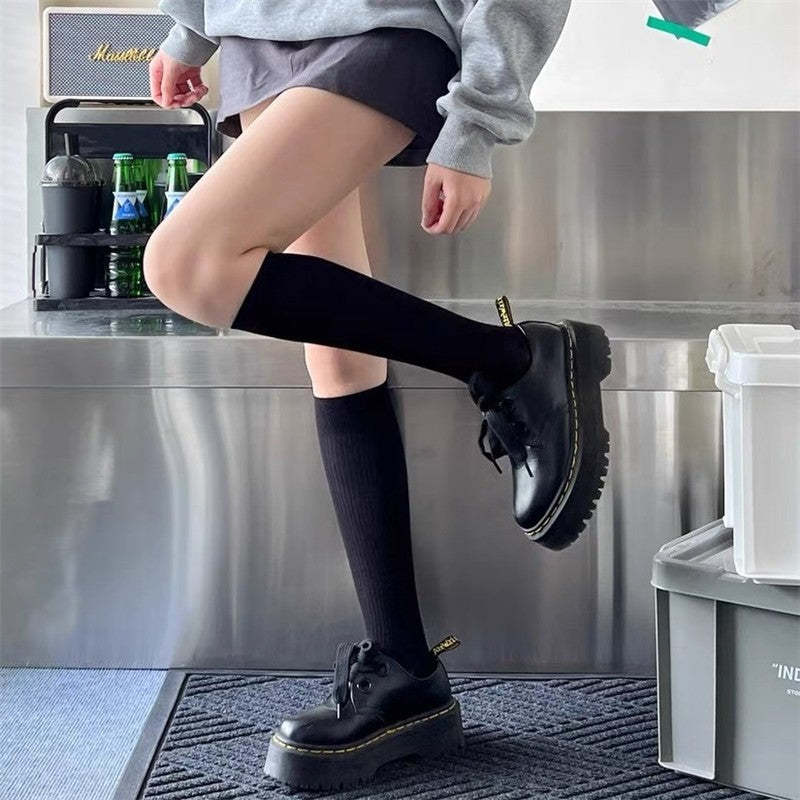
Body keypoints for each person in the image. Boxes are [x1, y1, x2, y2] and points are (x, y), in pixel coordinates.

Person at [147, 0, 610, 789]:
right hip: (259, 36)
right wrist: (191, 27)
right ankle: (405, 672)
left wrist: (477, 122)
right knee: (338, 358)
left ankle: (509, 360)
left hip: (377, 29)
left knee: (186, 264)